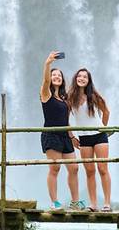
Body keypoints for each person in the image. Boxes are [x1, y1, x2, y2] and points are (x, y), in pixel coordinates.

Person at [39, 51, 83, 210]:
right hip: (51, 135)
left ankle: (75, 202)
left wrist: (72, 136)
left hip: (65, 136)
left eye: (59, 75)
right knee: (55, 168)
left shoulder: (64, 99)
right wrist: (48, 63)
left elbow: (66, 120)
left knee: (74, 168)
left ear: (62, 79)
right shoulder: (46, 94)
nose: (57, 77)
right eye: (54, 75)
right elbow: (45, 81)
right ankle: (55, 202)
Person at [68, 68, 111, 212]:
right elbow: (65, 119)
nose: (81, 78)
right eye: (79, 76)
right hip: (84, 138)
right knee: (89, 171)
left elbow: (106, 111)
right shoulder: (70, 98)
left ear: (88, 80)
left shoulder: (93, 96)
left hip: (99, 136)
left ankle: (106, 203)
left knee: (103, 168)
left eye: (84, 77)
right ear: (75, 79)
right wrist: (72, 136)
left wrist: (104, 128)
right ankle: (93, 204)